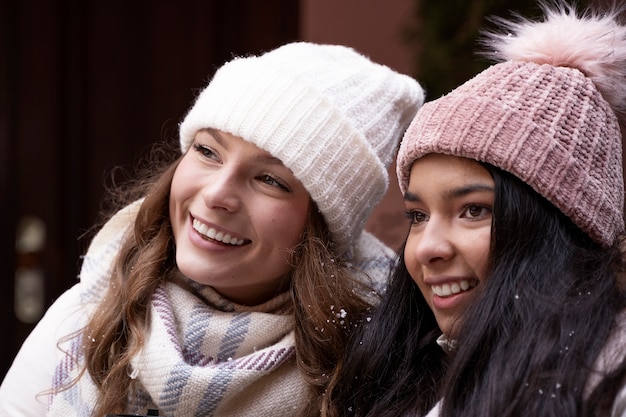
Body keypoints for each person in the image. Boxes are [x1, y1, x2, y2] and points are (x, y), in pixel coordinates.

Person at [0, 42, 424, 417]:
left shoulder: (381, 363)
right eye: (207, 151)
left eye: (270, 180)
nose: (218, 194)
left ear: (322, 228)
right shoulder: (88, 314)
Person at [324, 3, 626, 417]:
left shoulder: (608, 386)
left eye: (473, 211)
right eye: (418, 215)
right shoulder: (401, 378)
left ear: (563, 224)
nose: (427, 248)